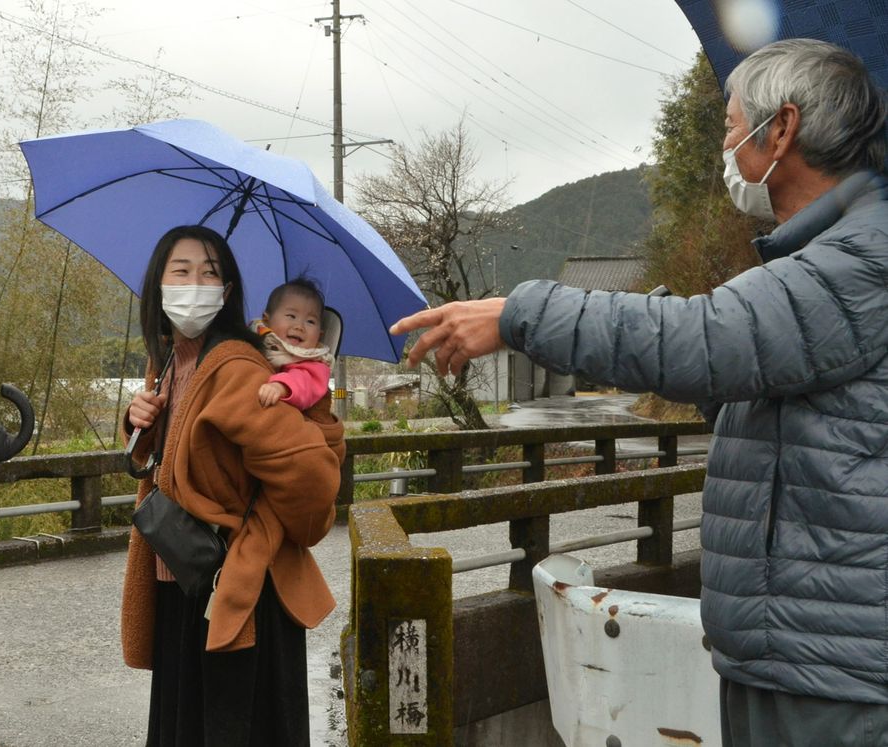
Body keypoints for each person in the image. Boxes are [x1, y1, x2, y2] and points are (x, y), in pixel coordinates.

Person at [390, 39, 888, 747]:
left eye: (729, 124)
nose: (724, 144)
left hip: (832, 670)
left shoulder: (861, 257)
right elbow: (747, 373)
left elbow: (712, 340)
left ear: (781, 129)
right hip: (799, 653)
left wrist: (518, 315)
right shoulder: (825, 257)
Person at [122, 224, 345, 746]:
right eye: (181, 271)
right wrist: (141, 423)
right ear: (158, 284)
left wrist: (261, 525)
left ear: (226, 293)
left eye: (210, 272)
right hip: (184, 579)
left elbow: (311, 480)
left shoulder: (236, 366)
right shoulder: (173, 363)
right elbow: (178, 457)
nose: (194, 283)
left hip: (236, 587)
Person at [251, 277, 335, 410]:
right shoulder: (253, 340)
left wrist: (281, 386)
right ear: (266, 320)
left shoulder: (315, 363)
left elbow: (304, 383)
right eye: (291, 316)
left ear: (320, 335)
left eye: (310, 321)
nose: (299, 326)